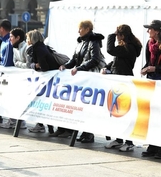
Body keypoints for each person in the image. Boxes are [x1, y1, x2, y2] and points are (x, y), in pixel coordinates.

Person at [60, 20, 106, 143]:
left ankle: (88, 133)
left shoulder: (93, 41)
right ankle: (79, 131)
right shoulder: (80, 42)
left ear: (87, 29)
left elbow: (94, 59)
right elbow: (74, 59)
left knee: (87, 106)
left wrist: (79, 68)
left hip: (89, 78)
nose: (78, 31)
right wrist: (65, 66)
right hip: (81, 77)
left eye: (80, 28)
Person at [103, 24, 142, 152]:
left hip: (125, 81)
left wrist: (111, 36)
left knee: (125, 112)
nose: (116, 37)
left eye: (118, 35)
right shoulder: (124, 47)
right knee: (117, 112)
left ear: (122, 35)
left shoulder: (129, 48)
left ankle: (129, 141)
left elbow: (110, 50)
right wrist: (107, 67)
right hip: (118, 81)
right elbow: (117, 60)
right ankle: (119, 139)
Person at [24, 30, 59, 134]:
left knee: (42, 103)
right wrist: (35, 65)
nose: (27, 40)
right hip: (51, 79)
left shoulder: (37, 49)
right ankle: (47, 127)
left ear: (32, 39)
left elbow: (44, 67)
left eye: (28, 38)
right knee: (43, 104)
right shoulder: (42, 47)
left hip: (46, 80)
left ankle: (43, 126)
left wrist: (36, 66)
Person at [0, 28, 28, 129]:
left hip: (26, 80)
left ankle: (20, 122)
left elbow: (28, 64)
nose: (10, 39)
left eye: (11, 37)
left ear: (18, 37)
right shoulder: (14, 47)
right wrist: (19, 64)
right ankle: (13, 121)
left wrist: (18, 65)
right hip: (18, 78)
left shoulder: (26, 47)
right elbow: (16, 62)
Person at [140, 20, 161, 159]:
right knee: (152, 114)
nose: (148, 31)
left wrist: (155, 68)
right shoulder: (150, 44)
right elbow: (149, 62)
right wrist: (145, 68)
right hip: (152, 80)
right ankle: (152, 145)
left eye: (150, 29)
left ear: (157, 31)